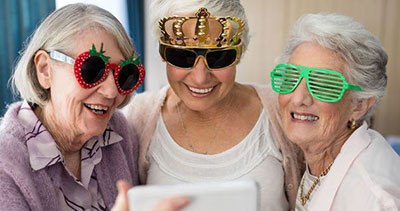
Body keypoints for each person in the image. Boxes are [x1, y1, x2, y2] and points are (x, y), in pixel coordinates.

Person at [0, 3, 188, 211]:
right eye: (92, 69)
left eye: (124, 75)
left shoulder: (118, 133)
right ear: (45, 70)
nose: (111, 92)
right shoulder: (5, 163)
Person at [122, 0, 304, 210]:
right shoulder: (137, 117)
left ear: (239, 54)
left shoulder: (281, 109)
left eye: (218, 57)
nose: (200, 78)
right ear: (164, 53)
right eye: (182, 56)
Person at [270, 13, 400, 210]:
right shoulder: (322, 156)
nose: (298, 99)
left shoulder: (374, 198)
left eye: (323, 85)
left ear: (359, 105)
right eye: (291, 77)